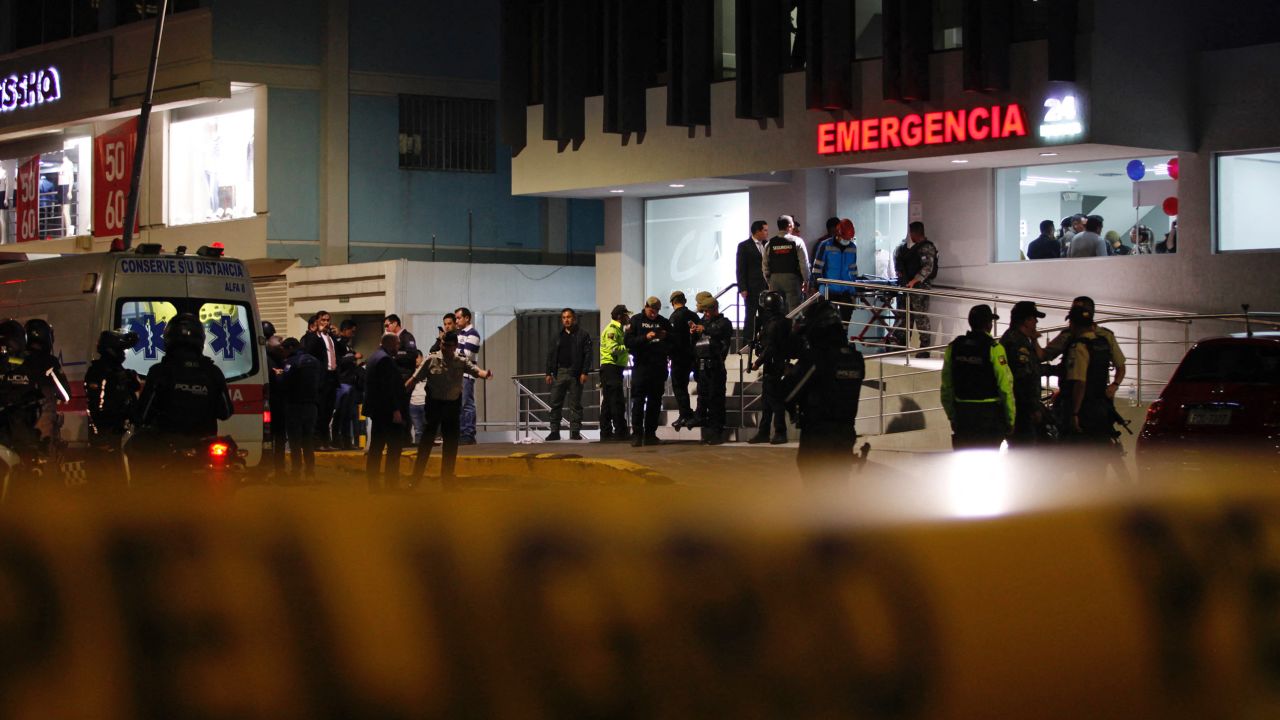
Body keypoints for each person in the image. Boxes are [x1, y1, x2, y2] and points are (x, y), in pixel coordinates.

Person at [786, 295, 865, 485]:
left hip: (818, 437)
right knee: (838, 491)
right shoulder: (855, 358)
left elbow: (787, 394)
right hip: (846, 433)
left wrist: (791, 371)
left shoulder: (817, 358)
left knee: (817, 495)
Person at [408, 331, 493, 488]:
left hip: (452, 406)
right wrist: (401, 394)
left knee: (451, 444)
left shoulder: (460, 361)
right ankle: (415, 479)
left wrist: (486, 374)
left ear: (455, 346)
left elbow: (475, 371)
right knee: (426, 444)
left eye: (448, 345)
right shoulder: (431, 359)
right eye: (443, 344)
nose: (445, 347)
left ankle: (447, 480)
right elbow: (414, 379)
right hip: (434, 406)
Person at [135, 313, 234, 444]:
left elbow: (143, 414)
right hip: (203, 446)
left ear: (168, 338)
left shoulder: (159, 371)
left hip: (167, 447)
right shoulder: (213, 372)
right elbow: (225, 412)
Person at [940, 304, 1015, 450]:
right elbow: (1005, 387)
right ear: (989, 324)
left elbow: (946, 387)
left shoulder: (954, 347)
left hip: (963, 414)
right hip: (989, 416)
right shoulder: (994, 348)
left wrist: (952, 416)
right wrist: (1010, 419)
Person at [1057, 306, 1121, 443]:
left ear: (1073, 324)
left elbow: (1080, 382)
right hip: (1102, 405)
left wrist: (1074, 413)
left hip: (1085, 409)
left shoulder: (1079, 346)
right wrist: (1114, 385)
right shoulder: (1103, 342)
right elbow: (1121, 366)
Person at [84, 330, 141, 483]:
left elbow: (132, 390)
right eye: (121, 350)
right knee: (108, 475)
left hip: (121, 431)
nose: (123, 354)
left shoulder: (118, 371)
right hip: (107, 433)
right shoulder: (100, 370)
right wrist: (102, 433)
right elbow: (97, 405)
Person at [1043, 296, 1127, 399]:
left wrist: (1114, 386)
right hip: (1096, 396)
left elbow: (1120, 367)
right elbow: (1046, 354)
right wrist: (1114, 386)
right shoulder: (1105, 335)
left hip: (1077, 396)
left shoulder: (1105, 335)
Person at [364, 332, 409, 492]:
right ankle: (391, 483)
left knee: (376, 448)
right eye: (397, 344)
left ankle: (373, 483)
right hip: (387, 412)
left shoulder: (375, 357)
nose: (398, 347)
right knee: (394, 448)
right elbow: (387, 389)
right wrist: (395, 410)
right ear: (390, 343)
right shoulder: (384, 360)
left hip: (378, 411)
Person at [999, 301, 1049, 447]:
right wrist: (1033, 408)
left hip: (1018, 407)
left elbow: (1032, 368)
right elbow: (1022, 379)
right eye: (1034, 318)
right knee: (1025, 452)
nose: (1036, 322)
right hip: (1022, 410)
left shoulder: (1014, 338)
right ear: (1026, 320)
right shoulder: (1018, 343)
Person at [625, 296, 671, 447]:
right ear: (646, 307)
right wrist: (646, 337)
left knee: (655, 402)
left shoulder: (663, 321)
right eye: (652, 310)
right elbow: (628, 342)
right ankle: (637, 434)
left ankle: (651, 434)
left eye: (657, 310)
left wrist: (666, 336)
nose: (654, 313)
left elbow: (673, 341)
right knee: (638, 401)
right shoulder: (636, 320)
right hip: (641, 367)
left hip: (658, 368)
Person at [690, 292, 734, 444]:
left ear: (714, 309)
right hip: (702, 367)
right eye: (704, 312)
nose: (705, 314)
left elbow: (718, 331)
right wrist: (694, 332)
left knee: (716, 400)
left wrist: (703, 329)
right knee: (704, 398)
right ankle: (708, 430)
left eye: (708, 311)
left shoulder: (724, 323)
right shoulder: (704, 323)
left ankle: (717, 432)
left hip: (716, 366)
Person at [749, 291, 792, 445]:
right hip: (778, 364)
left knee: (775, 401)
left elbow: (770, 348)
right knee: (767, 402)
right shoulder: (784, 322)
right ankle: (763, 432)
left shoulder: (774, 324)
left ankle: (780, 432)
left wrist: (757, 363)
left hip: (774, 365)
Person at [0, 320, 42, 476]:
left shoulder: (27, 365)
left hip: (17, 431)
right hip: (12, 429)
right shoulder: (27, 365)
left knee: (30, 460)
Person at [544, 308, 593, 441]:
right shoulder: (557, 336)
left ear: (574, 318)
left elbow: (588, 355)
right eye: (564, 317)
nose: (566, 319)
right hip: (560, 372)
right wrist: (548, 372)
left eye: (569, 317)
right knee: (555, 403)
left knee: (575, 404)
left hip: (575, 373)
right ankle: (554, 431)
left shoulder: (583, 335)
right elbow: (551, 355)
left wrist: (584, 372)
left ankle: (575, 432)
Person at [22, 319, 70, 456]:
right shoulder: (50, 362)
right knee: (46, 462)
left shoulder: (17, 360)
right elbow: (65, 394)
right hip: (43, 427)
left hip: (18, 427)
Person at [893, 221, 938, 357]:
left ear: (915, 233)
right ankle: (902, 343)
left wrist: (914, 281)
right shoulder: (904, 248)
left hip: (920, 288)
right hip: (906, 287)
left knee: (920, 318)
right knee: (904, 315)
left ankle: (924, 348)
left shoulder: (926, 248)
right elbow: (899, 262)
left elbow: (927, 268)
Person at [282, 337, 322, 479]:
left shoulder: (291, 362)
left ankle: (296, 472)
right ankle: (310, 472)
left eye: (284, 350)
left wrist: (279, 375)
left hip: (295, 406)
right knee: (308, 441)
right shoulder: (315, 361)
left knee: (295, 441)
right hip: (311, 406)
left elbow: (285, 382)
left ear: (291, 348)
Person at [302, 310, 339, 450]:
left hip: (332, 377)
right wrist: (318, 333)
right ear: (317, 321)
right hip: (320, 379)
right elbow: (309, 350)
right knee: (320, 411)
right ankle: (316, 442)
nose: (326, 323)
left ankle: (325, 441)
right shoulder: (312, 337)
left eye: (327, 320)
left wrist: (338, 334)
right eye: (323, 320)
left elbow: (341, 350)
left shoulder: (330, 337)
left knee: (329, 411)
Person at [810, 218, 859, 322]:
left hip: (846, 290)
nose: (847, 241)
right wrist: (820, 285)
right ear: (838, 234)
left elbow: (853, 269)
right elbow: (817, 269)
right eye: (845, 238)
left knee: (846, 317)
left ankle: (844, 335)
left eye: (849, 239)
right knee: (827, 319)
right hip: (829, 289)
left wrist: (854, 287)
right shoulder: (825, 245)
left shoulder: (852, 248)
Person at [666, 291, 700, 431]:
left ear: (673, 302)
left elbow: (672, 339)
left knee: (679, 387)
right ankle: (694, 414)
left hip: (679, 357)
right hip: (694, 356)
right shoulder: (693, 315)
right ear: (685, 300)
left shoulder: (674, 317)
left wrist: (669, 354)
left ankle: (685, 414)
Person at [598, 304, 631, 442]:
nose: (628, 318)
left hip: (613, 369)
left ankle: (606, 432)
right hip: (611, 368)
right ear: (619, 317)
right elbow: (614, 349)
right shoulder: (612, 330)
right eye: (626, 315)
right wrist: (629, 345)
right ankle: (620, 431)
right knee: (616, 401)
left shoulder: (618, 329)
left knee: (608, 401)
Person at [763, 215, 809, 313]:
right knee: (794, 310)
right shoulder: (797, 241)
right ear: (789, 226)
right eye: (792, 224)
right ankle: (792, 328)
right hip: (792, 280)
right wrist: (806, 280)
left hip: (774, 280)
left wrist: (769, 280)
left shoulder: (770, 243)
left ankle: (777, 328)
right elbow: (804, 264)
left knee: (776, 310)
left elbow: (765, 265)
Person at [737, 220, 771, 344]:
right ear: (757, 231)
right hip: (751, 288)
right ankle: (747, 343)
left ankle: (764, 341)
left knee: (766, 316)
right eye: (765, 230)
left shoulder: (768, 244)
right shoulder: (744, 246)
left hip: (767, 287)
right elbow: (740, 268)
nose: (767, 233)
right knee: (750, 315)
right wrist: (742, 287)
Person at [454, 307, 481, 445]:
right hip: (456, 375)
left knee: (467, 404)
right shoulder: (458, 334)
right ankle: (461, 432)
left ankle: (469, 433)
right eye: (456, 318)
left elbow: (466, 354)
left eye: (458, 318)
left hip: (466, 374)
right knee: (458, 405)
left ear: (467, 318)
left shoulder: (473, 334)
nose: (456, 321)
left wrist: (455, 350)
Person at [265, 336, 290, 474]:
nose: (282, 346)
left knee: (280, 438)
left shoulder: (281, 361)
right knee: (271, 438)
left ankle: (279, 468)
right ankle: (273, 468)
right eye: (279, 344)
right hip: (272, 403)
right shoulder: (266, 360)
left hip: (279, 403)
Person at [407, 351, 427, 444]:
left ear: (422, 358)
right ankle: (419, 452)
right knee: (418, 430)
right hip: (413, 403)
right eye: (414, 357)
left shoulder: (427, 370)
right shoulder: (409, 371)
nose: (415, 360)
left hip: (425, 402)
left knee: (428, 429)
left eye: (417, 357)